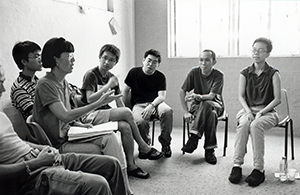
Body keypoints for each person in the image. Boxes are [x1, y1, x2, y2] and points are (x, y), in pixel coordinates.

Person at [0, 65, 126, 195]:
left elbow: (18, 142)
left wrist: (41, 148)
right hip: (30, 172)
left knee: (112, 164)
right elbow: (64, 115)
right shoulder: (44, 85)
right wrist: (35, 163)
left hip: (39, 154)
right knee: (98, 184)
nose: (3, 89)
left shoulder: (1, 114)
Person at [32, 37, 132, 194]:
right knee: (104, 150)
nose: (73, 60)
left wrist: (80, 125)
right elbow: (64, 115)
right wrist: (98, 103)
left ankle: (125, 189)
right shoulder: (46, 84)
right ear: (56, 60)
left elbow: (65, 118)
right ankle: (120, 190)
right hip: (58, 145)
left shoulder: (63, 82)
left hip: (70, 135)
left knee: (112, 138)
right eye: (69, 56)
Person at [80, 44, 163, 179]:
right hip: (88, 114)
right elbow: (89, 99)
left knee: (125, 126)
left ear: (115, 62)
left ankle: (130, 165)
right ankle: (143, 146)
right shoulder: (91, 75)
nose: (107, 62)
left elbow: (119, 101)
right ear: (99, 57)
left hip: (104, 113)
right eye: (105, 58)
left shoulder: (112, 78)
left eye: (111, 60)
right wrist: (108, 86)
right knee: (126, 113)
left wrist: (126, 113)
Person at [228, 37, 281, 187]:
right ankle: (237, 165)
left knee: (255, 125)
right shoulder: (245, 72)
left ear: (267, 54)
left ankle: (259, 169)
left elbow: (277, 99)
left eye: (260, 50)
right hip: (247, 111)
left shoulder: (273, 73)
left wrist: (261, 112)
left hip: (269, 112)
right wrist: (248, 112)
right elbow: (240, 96)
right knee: (244, 123)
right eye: (254, 50)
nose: (256, 53)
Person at [123, 49, 173, 157]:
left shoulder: (160, 77)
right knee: (140, 121)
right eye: (149, 60)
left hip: (156, 103)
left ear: (158, 64)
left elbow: (161, 97)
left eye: (155, 62)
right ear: (143, 60)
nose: (151, 64)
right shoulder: (133, 72)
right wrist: (124, 109)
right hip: (138, 104)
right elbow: (125, 91)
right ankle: (145, 146)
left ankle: (165, 144)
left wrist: (151, 106)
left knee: (167, 111)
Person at [180, 49, 224, 165]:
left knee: (207, 105)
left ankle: (194, 138)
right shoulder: (194, 72)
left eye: (207, 60)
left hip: (215, 105)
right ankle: (210, 150)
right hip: (198, 107)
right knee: (211, 115)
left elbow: (211, 96)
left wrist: (197, 96)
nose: (203, 63)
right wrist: (186, 111)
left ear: (214, 62)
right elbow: (182, 91)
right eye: (201, 60)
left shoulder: (218, 75)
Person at [10, 41, 42, 120]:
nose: (41, 59)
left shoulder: (38, 81)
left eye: (40, 55)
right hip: (43, 129)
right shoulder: (19, 88)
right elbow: (37, 114)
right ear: (24, 61)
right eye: (36, 56)